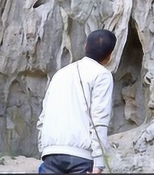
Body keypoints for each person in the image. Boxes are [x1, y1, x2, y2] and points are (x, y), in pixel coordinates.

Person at [37, 29, 117, 174]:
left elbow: (43, 116)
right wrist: (99, 163)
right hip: (80, 157)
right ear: (110, 56)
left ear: (85, 46)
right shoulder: (102, 75)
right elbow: (99, 119)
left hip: (50, 154)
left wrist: (44, 148)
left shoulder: (60, 74)